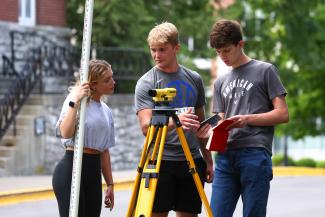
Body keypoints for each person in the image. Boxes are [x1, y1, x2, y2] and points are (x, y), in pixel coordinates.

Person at [208, 19, 289, 217]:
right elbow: (219, 119)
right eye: (218, 52)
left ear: (240, 44)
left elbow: (283, 113)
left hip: (254, 153)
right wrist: (208, 129)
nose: (222, 56)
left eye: (226, 50)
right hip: (225, 156)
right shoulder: (220, 82)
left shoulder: (265, 70)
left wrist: (247, 119)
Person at [134, 22, 214, 217]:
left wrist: (209, 160)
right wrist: (176, 120)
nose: (156, 55)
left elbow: (200, 125)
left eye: (162, 50)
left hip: (192, 160)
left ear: (176, 48)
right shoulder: (146, 83)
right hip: (159, 161)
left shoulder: (194, 78)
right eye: (153, 50)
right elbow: (146, 127)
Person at [52, 59, 116, 217]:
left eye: (112, 77)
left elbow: (104, 150)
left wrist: (110, 184)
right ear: (93, 84)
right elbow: (65, 133)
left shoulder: (106, 111)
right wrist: (75, 102)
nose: (113, 82)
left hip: (93, 172)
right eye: (107, 80)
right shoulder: (74, 101)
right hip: (71, 168)